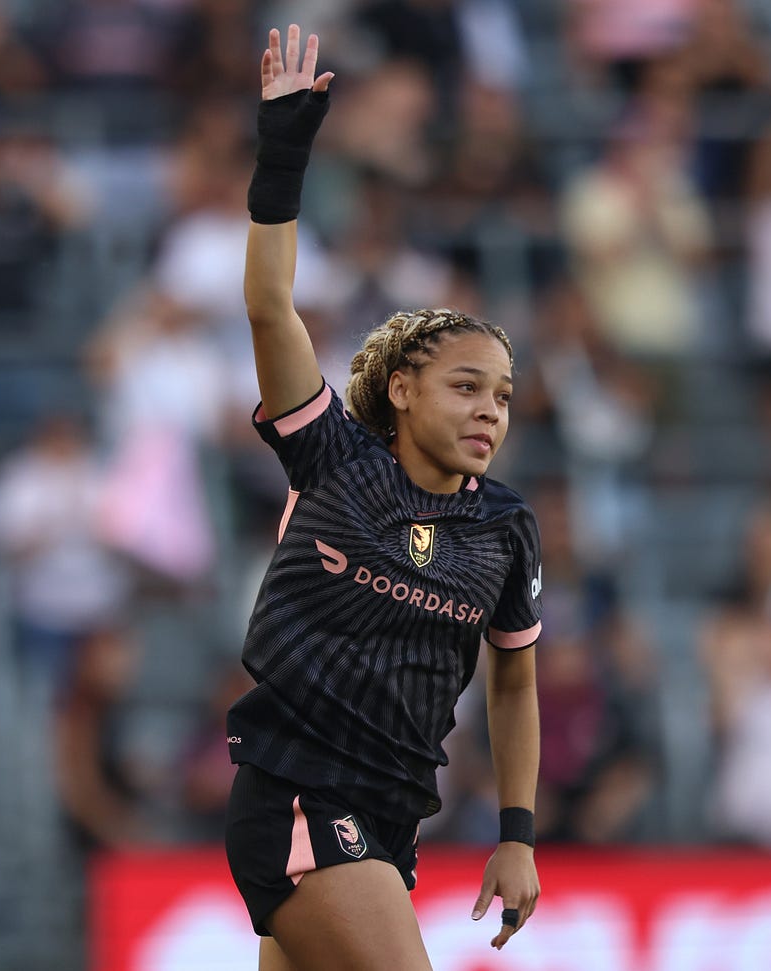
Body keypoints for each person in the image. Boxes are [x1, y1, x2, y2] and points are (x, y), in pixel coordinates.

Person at [222, 25, 543, 970]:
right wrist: (284, 152)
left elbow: (515, 679)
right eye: (465, 386)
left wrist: (518, 831)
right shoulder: (332, 457)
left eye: (503, 396)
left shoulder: (505, 526)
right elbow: (269, 307)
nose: (488, 410)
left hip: (390, 822)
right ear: (401, 388)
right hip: (298, 794)